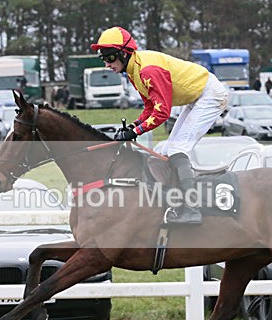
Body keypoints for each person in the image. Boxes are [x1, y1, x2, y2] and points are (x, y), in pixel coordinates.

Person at [90, 26, 228, 225]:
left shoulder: (148, 70)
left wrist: (136, 131)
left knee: (178, 149)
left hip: (209, 95)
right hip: (196, 98)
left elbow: (163, 113)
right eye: (103, 58)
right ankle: (174, 200)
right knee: (165, 149)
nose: (106, 64)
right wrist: (133, 127)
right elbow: (150, 107)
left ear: (123, 53)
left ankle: (191, 209)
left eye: (109, 58)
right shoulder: (133, 71)